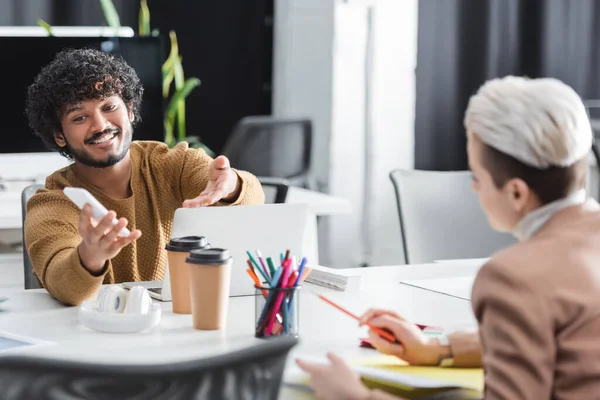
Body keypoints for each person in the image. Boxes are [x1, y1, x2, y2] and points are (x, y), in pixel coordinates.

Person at [298, 76, 600, 399]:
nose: (473, 187)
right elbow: (555, 339)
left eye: (477, 177)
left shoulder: (515, 278)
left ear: (516, 193)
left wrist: (356, 397)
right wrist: (437, 347)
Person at [24, 48, 264, 306]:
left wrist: (230, 186)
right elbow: (65, 288)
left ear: (129, 109)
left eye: (109, 107)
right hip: (94, 336)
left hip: (174, 327)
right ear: (59, 135)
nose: (100, 125)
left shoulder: (174, 165)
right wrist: (89, 256)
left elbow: (253, 201)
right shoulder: (52, 202)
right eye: (80, 117)